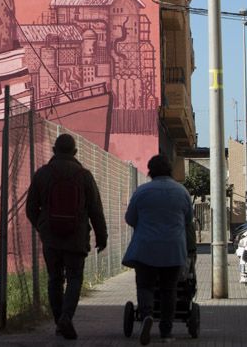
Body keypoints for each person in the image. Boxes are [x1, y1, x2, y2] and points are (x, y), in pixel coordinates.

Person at [26, 133, 107, 340]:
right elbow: (96, 210)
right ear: (75, 152)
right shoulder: (84, 175)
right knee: (74, 278)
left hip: (51, 238)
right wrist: (101, 236)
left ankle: (58, 321)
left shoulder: (42, 174)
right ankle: (66, 318)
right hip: (76, 237)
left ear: (54, 150)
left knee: (54, 279)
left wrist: (43, 227)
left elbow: (30, 209)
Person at [122, 155, 194, 345]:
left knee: (145, 285)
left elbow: (130, 218)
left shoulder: (142, 191)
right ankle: (166, 332)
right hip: (173, 249)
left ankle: (147, 316)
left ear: (150, 170)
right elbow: (188, 220)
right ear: (169, 170)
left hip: (145, 248)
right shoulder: (182, 192)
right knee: (168, 290)